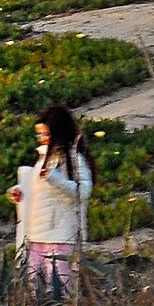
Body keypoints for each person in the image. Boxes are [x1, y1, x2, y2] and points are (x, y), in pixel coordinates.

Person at [7, 106, 93, 286]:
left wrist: (56, 180)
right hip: (37, 233)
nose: (42, 139)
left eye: (45, 134)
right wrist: (20, 192)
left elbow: (84, 191)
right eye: (39, 135)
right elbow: (37, 188)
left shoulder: (73, 158)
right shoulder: (43, 158)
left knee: (60, 284)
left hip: (61, 234)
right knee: (34, 282)